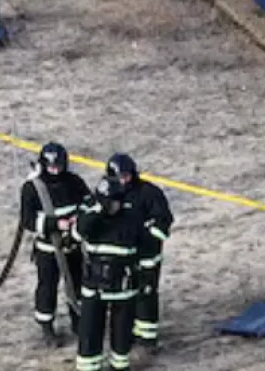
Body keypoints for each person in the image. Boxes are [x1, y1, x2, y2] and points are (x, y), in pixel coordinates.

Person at [20, 142, 91, 346]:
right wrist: (54, 224)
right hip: (48, 250)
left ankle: (79, 322)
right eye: (51, 167)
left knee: (78, 286)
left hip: (74, 247)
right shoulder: (32, 189)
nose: (55, 170)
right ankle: (47, 328)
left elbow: (88, 204)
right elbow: (28, 220)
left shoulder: (75, 182)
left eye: (58, 166)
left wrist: (79, 220)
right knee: (47, 289)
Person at [73, 176, 142, 371]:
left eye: (115, 202)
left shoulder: (131, 216)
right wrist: (97, 211)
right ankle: (89, 366)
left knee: (122, 330)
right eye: (109, 203)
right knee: (89, 331)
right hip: (95, 285)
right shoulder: (90, 216)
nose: (113, 207)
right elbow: (78, 232)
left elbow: (140, 244)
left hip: (123, 284)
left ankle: (120, 365)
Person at [106, 153, 173, 352]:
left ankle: (148, 337)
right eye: (120, 178)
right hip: (124, 258)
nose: (124, 181)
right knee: (127, 296)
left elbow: (163, 222)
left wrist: (144, 237)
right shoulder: (109, 194)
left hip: (147, 257)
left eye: (127, 176)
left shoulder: (149, 193)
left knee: (147, 293)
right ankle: (130, 331)